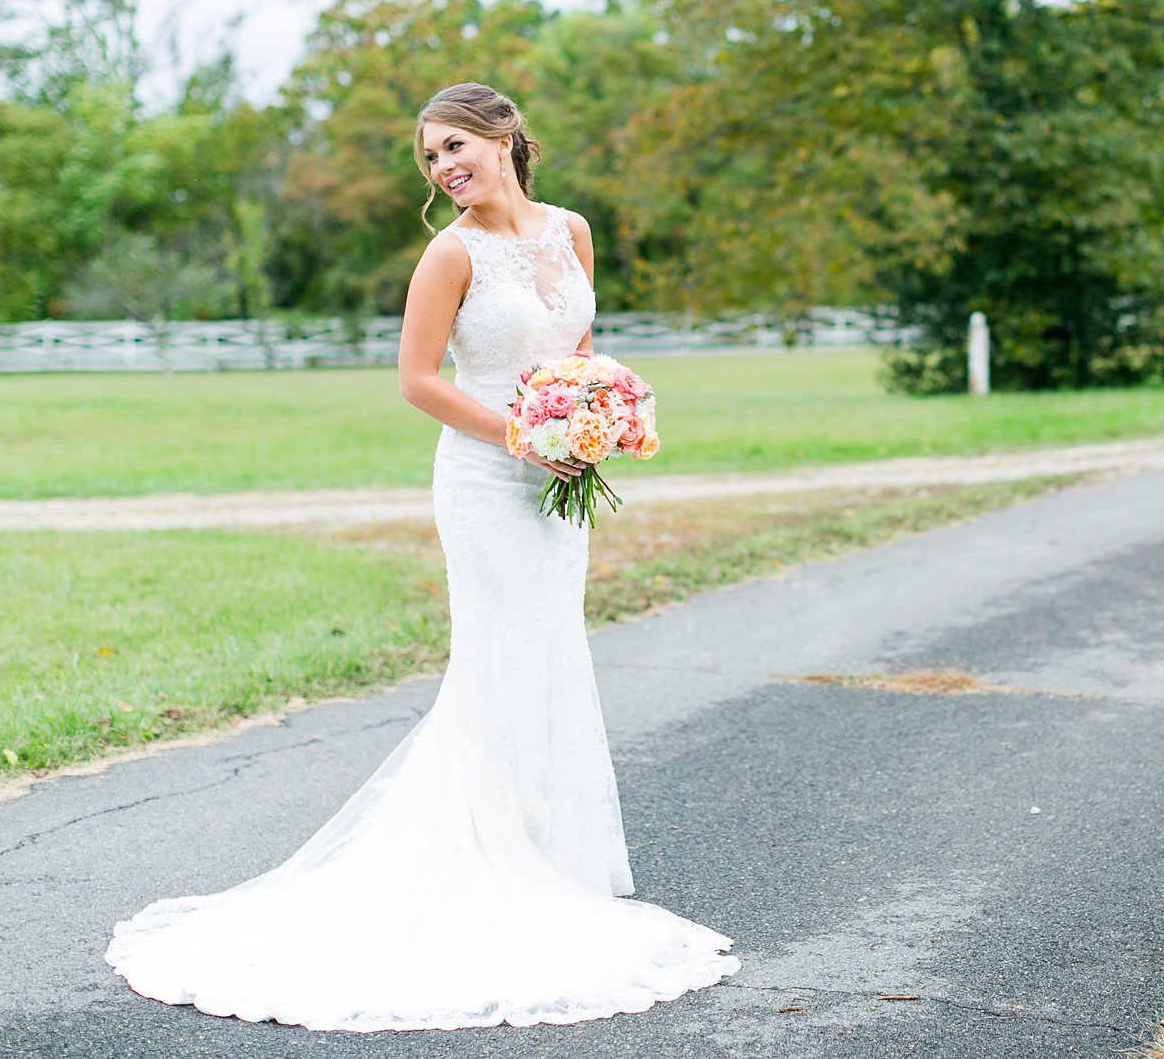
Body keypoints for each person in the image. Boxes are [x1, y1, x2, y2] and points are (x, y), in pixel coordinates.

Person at [104, 82, 740, 1031]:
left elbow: (580, 349)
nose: (443, 169)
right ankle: (484, 870)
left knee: (552, 654)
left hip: (558, 480)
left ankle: (548, 864)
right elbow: (415, 381)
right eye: (431, 157)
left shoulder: (572, 229)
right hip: (487, 481)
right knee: (496, 659)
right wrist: (524, 436)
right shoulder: (449, 253)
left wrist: (596, 415)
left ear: (505, 137)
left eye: (454, 147)